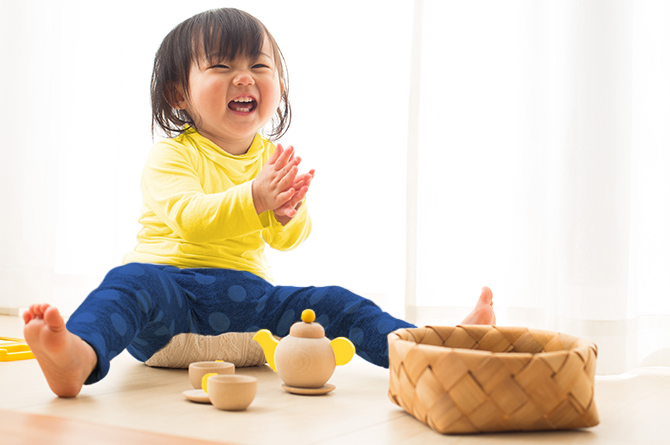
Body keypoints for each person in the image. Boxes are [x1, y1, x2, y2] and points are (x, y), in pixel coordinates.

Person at [23, 8, 496, 398]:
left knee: (335, 300)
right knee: (129, 281)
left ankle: (431, 351)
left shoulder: (271, 159)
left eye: (260, 66)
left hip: (250, 315)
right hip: (170, 309)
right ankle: (78, 356)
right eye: (221, 67)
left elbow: (288, 239)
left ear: (280, 86)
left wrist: (286, 214)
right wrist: (255, 197)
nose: (244, 78)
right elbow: (192, 220)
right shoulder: (171, 156)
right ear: (178, 93)